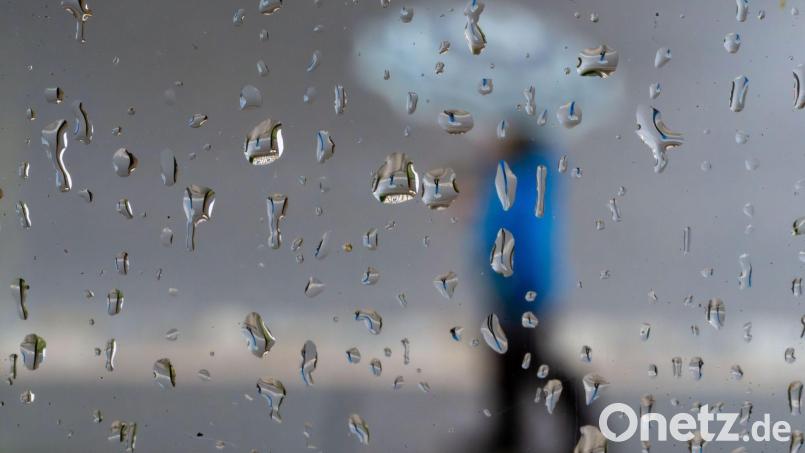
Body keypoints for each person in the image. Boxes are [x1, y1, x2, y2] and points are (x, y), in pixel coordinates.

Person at [475, 131, 588, 452]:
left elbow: (527, 243)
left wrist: (523, 293)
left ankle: (585, 429)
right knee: (507, 365)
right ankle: (508, 435)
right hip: (509, 289)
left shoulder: (524, 179)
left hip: (523, 293)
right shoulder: (506, 170)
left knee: (532, 362)